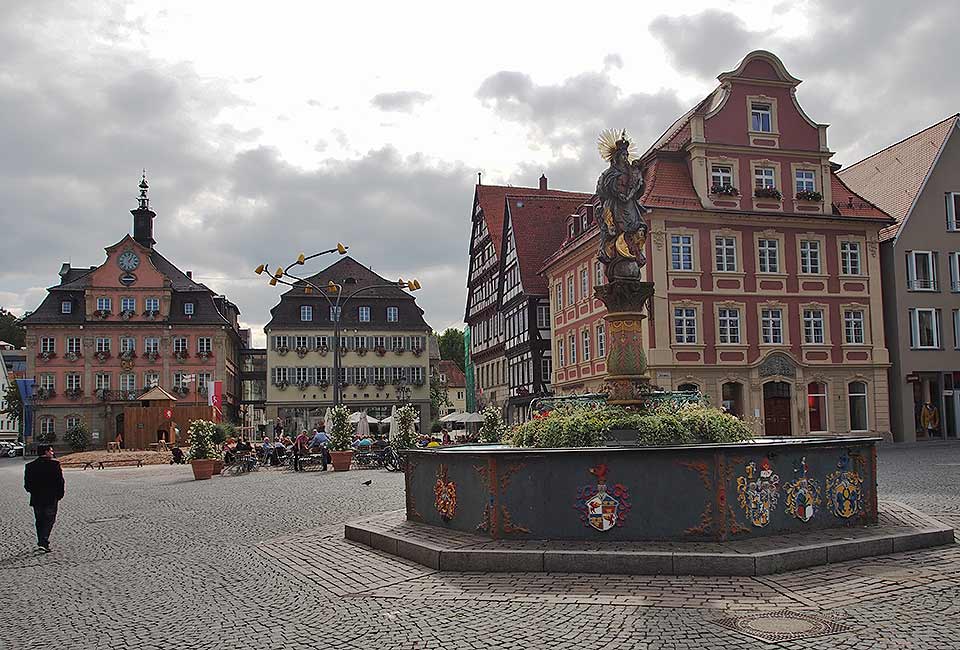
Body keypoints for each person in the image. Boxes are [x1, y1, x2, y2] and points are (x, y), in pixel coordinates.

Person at [23, 444, 64, 553]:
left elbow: (27, 485)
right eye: (51, 451)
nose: (52, 453)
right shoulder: (54, 465)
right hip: (51, 498)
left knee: (39, 520)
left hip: (36, 498)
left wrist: (34, 492)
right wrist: (59, 494)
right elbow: (60, 482)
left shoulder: (30, 466)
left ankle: (41, 540)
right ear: (46, 452)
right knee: (49, 519)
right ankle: (43, 541)